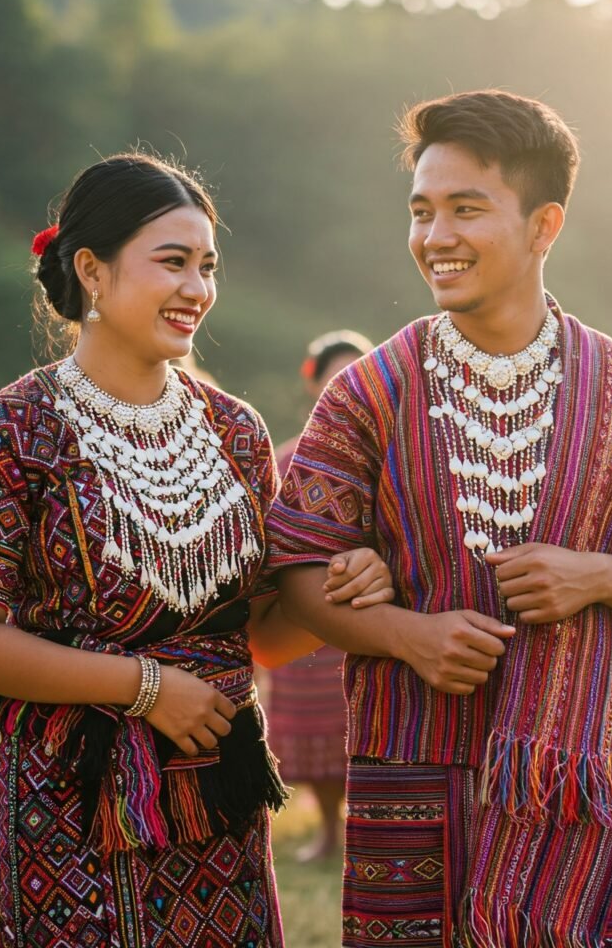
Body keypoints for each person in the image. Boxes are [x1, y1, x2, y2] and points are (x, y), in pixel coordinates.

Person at [267, 90, 612, 947]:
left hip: (585, 770)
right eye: (420, 212)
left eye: (465, 209)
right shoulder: (370, 391)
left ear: (544, 226)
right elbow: (298, 572)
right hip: (411, 762)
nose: (435, 237)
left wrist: (594, 575)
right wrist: (404, 635)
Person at [0, 151, 394, 947]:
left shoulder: (236, 431)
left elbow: (264, 639)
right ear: (94, 273)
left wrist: (343, 592)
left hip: (220, 792)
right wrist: (145, 687)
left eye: (208, 266)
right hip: (67, 803)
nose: (198, 289)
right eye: (172, 262)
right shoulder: (12, 429)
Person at [267, 330, 374, 862]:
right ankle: (329, 830)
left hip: (372, 619)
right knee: (313, 737)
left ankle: (369, 833)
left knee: (365, 734)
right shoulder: (284, 461)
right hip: (303, 623)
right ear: (312, 384)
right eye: (334, 376)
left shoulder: (393, 460)